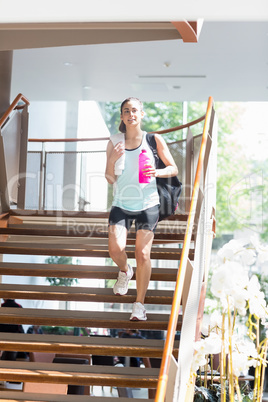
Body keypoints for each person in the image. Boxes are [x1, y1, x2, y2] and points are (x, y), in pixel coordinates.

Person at [105, 97, 178, 321]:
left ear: (141, 114)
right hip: (121, 203)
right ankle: (126, 271)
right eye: (126, 111)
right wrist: (113, 159)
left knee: (143, 253)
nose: (131, 114)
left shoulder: (153, 140)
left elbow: (173, 168)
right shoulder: (114, 141)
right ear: (122, 116)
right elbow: (109, 178)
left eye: (134, 110)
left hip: (148, 204)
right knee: (115, 249)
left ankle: (139, 304)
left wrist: (158, 172)